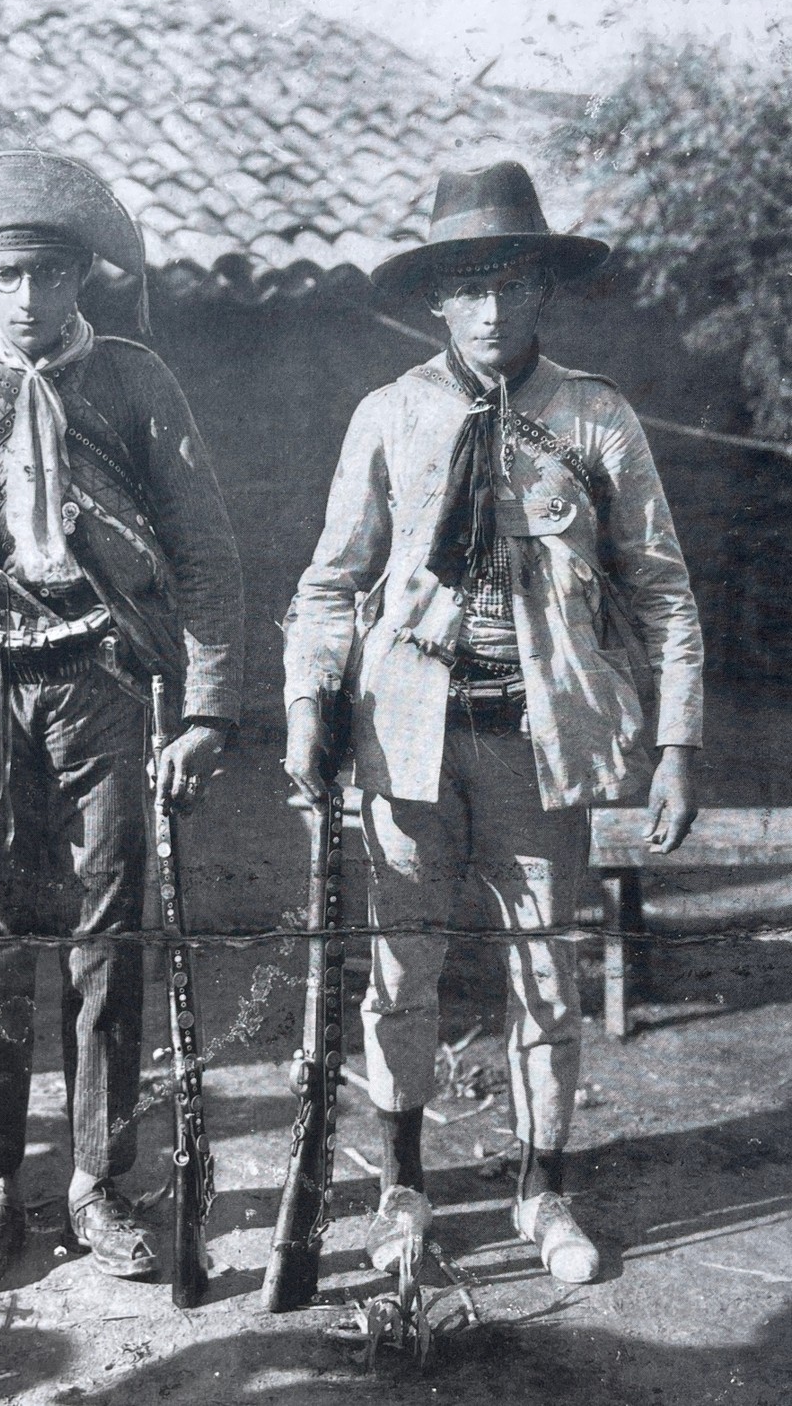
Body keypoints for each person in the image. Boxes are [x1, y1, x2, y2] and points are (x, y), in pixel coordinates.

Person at [283, 162, 702, 1284]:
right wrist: (306, 702)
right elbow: (329, 585)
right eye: (468, 286)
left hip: (539, 739)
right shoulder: (390, 416)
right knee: (400, 971)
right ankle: (404, 1187)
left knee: (546, 977)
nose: (491, 309)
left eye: (513, 284)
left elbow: (661, 587)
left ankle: (541, 1186)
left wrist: (675, 743)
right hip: (410, 739)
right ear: (436, 298)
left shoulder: (594, 414)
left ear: (544, 294)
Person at [0, 151, 244, 1288]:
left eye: (51, 275)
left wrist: (207, 705)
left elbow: (208, 550)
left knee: (111, 934)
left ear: (83, 279)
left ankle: (101, 1185)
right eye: (8, 274)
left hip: (104, 684)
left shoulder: (132, 383)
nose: (28, 299)